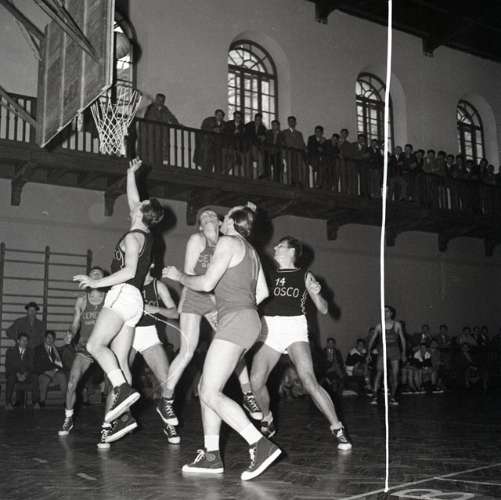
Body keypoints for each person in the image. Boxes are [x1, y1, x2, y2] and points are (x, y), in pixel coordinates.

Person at [163, 205, 281, 481]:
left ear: (231, 223)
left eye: (225, 217)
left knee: (208, 392)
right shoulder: (252, 251)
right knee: (207, 388)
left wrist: (179, 276)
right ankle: (212, 455)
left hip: (236, 320)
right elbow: (262, 291)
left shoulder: (228, 242)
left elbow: (205, 284)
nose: (221, 219)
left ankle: (259, 443)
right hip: (247, 319)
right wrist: (237, 304)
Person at [73, 157, 164, 448]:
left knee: (94, 346)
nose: (135, 204)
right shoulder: (145, 232)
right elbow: (134, 199)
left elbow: (129, 271)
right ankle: (123, 417)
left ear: (141, 213)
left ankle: (123, 391)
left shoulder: (133, 237)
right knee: (121, 361)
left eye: (139, 205)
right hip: (134, 302)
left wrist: (95, 283)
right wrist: (130, 173)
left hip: (123, 293)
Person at [163, 206, 263, 431]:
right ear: (200, 226)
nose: (208, 216)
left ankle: (247, 394)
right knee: (187, 351)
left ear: (220, 223)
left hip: (216, 300)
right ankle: (166, 399)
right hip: (195, 296)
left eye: (212, 215)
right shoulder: (197, 240)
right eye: (203, 216)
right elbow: (189, 274)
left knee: (231, 344)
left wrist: (248, 212)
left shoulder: (229, 243)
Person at [250, 236, 351, 450]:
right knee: (256, 381)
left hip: (294, 328)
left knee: (308, 381)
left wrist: (317, 293)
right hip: (270, 328)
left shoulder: (304, 275)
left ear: (292, 252)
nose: (275, 247)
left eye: (280, 246)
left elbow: (324, 309)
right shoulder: (268, 274)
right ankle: (267, 418)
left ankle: (337, 427)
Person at [128, 265, 180, 445]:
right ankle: (112, 423)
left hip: (149, 335)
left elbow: (175, 312)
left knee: (167, 380)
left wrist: (156, 309)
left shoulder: (159, 286)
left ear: (151, 264)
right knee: (120, 381)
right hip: (128, 334)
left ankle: (168, 423)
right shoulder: (128, 282)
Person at [58, 266, 107, 436]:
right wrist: (70, 333)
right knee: (72, 382)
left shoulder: (109, 298)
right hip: (85, 345)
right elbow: (75, 324)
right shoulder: (82, 300)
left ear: (103, 279)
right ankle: (68, 418)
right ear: (88, 279)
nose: (95, 276)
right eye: (92, 274)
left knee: (115, 385)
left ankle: (114, 421)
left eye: (99, 275)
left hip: (104, 345)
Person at [367, 305, 406, 406]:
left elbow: (402, 339)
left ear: (391, 313)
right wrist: (368, 352)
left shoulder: (397, 325)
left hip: (395, 351)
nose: (385, 313)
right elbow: (372, 340)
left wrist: (404, 353)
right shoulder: (379, 326)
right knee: (379, 373)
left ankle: (392, 398)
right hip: (382, 351)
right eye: (383, 311)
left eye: (387, 311)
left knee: (395, 375)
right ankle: (375, 396)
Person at [142, 92, 179, 166]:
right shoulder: (150, 108)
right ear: (156, 99)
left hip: (161, 134)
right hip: (151, 133)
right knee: (151, 149)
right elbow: (145, 120)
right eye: (159, 100)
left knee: (160, 150)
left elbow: (172, 118)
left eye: (162, 101)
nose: (160, 102)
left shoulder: (165, 109)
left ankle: (160, 163)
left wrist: (177, 124)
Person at [5, 333, 40, 409]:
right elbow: (8, 365)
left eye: (26, 340)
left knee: (35, 377)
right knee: (11, 378)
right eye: (23, 340)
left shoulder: (31, 352)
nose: (25, 342)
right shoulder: (10, 351)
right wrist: (17, 374)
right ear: (18, 341)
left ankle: (36, 402)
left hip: (26, 375)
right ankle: (8, 403)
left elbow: (32, 366)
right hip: (14, 374)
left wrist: (25, 374)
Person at [34, 330, 67, 407]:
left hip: (54, 373)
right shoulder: (38, 349)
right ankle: (42, 401)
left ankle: (66, 400)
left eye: (52, 338)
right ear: (44, 338)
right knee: (45, 379)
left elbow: (60, 365)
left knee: (62, 376)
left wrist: (54, 370)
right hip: (43, 373)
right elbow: (36, 365)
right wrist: (46, 372)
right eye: (48, 337)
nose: (50, 339)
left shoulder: (55, 349)